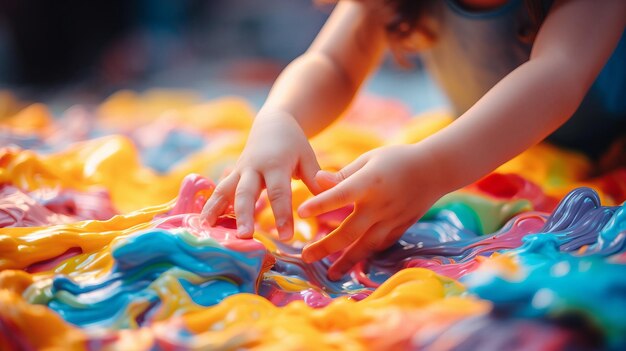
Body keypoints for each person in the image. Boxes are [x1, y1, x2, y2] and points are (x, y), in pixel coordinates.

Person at [201, 0, 626, 280]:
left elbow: (558, 75)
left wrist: (432, 168)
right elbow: (332, 63)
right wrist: (280, 116)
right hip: (506, 159)